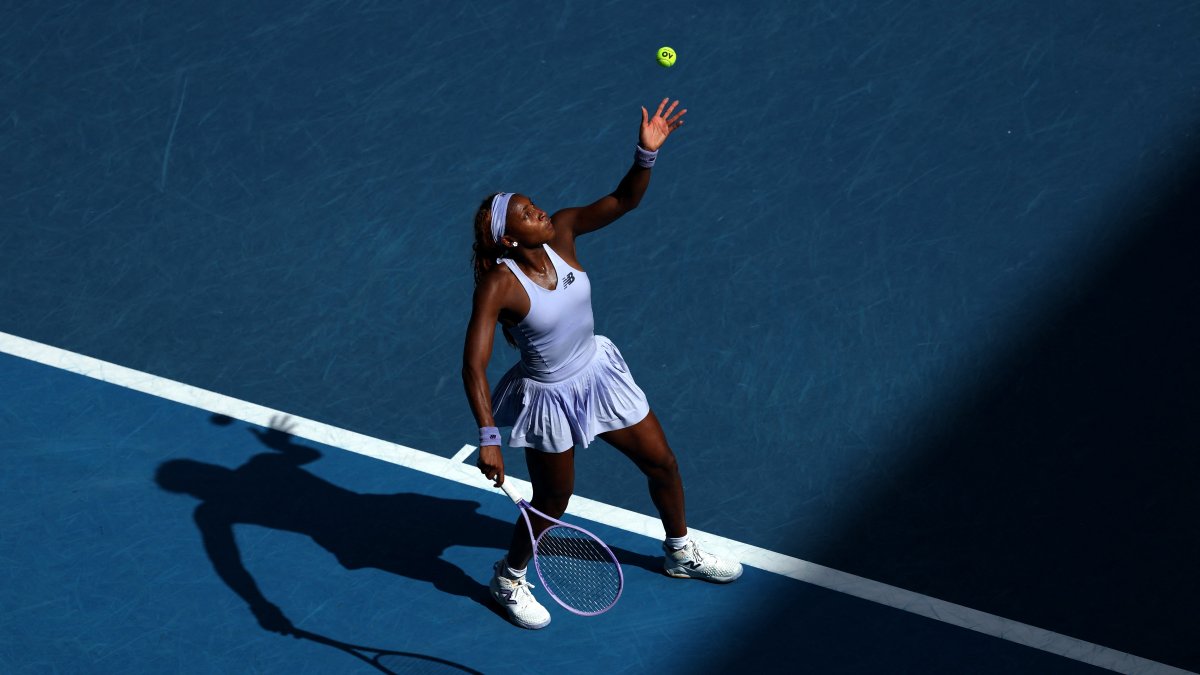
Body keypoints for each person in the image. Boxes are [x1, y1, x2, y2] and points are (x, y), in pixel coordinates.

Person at [461, 98, 742, 630]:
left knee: (662, 461)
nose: (539, 211)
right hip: (548, 396)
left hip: (598, 373)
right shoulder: (500, 284)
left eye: (534, 203)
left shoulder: (564, 231)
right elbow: (472, 366)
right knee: (553, 499)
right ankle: (508, 578)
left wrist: (646, 153)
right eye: (526, 212)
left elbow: (623, 200)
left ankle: (680, 551)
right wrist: (490, 437)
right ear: (508, 237)